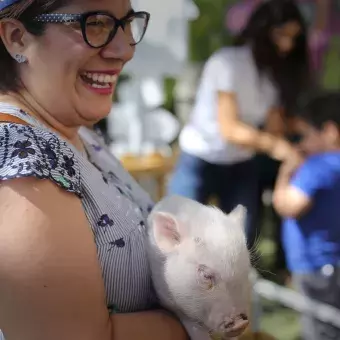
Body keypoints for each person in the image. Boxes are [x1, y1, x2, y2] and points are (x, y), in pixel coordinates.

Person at [0, 1, 189, 340]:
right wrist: (205, 322)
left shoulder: (74, 130)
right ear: (16, 38)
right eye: (97, 23)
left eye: (128, 23)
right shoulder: (20, 161)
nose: (125, 49)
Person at [168, 0, 310, 250]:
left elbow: (273, 124)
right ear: (262, 30)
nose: (286, 44)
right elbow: (230, 129)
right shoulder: (228, 63)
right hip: (200, 159)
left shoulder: (274, 74)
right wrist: (277, 146)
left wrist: (299, 137)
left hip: (240, 164)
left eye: (293, 38)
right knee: (178, 235)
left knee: (238, 242)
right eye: (281, 35)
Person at [273, 92, 340, 340]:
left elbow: (288, 206)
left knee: (319, 329)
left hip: (314, 264)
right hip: (333, 262)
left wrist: (285, 172)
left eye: (306, 135)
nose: (302, 143)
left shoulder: (317, 167)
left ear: (330, 132)